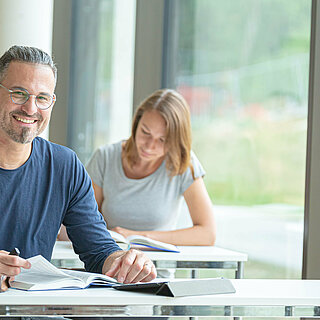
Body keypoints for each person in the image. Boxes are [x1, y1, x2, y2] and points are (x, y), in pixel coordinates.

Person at [0, 45, 156, 289]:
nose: (31, 109)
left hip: (35, 311)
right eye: (18, 94)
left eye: (42, 98)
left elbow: (98, 250)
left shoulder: (65, 165)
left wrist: (125, 262)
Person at [85, 89, 216, 252]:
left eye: (162, 140)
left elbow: (207, 233)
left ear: (176, 141)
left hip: (157, 270)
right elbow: (83, 221)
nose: (149, 145)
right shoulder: (105, 158)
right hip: (107, 266)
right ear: (136, 124)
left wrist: (138, 237)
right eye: (145, 132)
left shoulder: (183, 163)